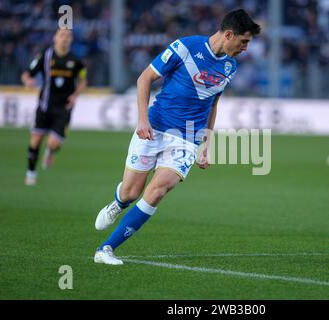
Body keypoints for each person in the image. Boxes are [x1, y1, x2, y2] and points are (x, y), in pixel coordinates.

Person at [93, 9, 261, 265]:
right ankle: (119, 202)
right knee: (131, 192)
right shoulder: (184, 47)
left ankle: (106, 249)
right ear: (229, 34)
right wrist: (142, 119)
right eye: (244, 41)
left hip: (187, 139)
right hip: (156, 126)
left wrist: (207, 143)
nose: (246, 48)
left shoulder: (230, 65)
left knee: (158, 190)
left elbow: (213, 104)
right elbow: (144, 78)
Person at [22, 28, 87, 185]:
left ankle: (50, 151)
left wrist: (75, 95)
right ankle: (31, 173)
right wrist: (27, 81)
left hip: (64, 108)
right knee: (35, 140)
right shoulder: (45, 56)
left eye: (68, 36)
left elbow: (83, 80)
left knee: (53, 143)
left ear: (71, 40)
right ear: (55, 38)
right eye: (62, 35)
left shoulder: (77, 61)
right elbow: (26, 74)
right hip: (45, 106)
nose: (65, 38)